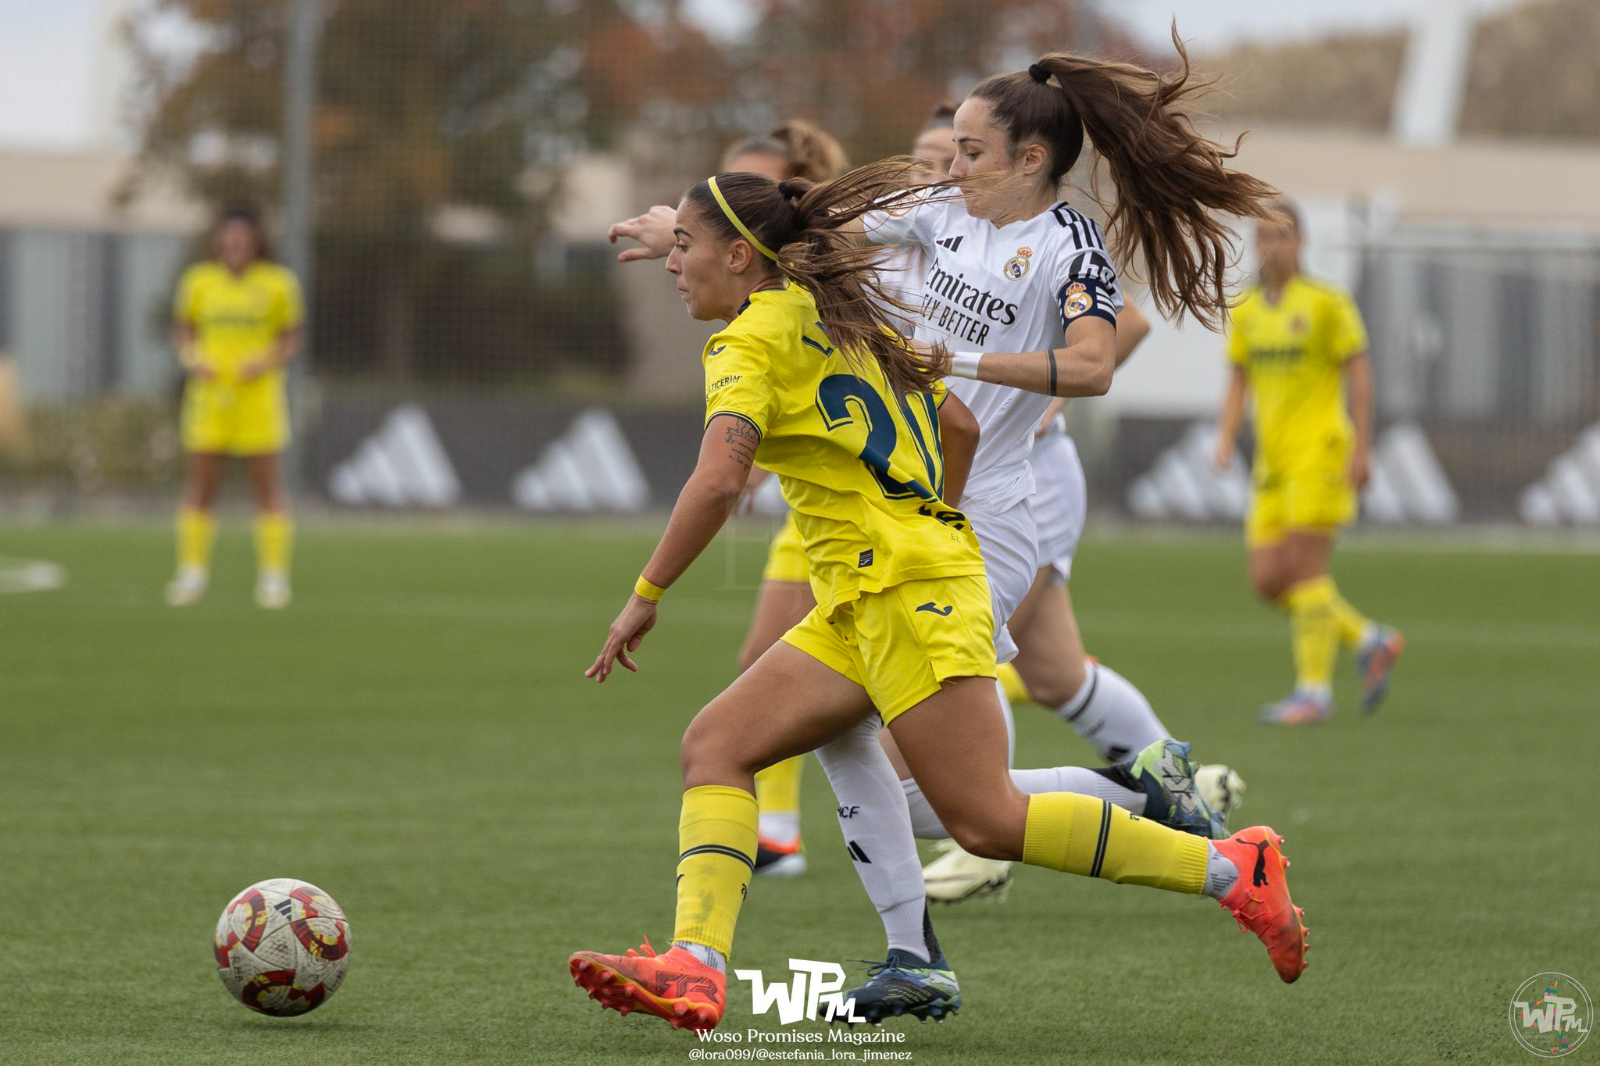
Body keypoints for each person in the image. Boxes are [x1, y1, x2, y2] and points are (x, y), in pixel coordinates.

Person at [602, 40, 1284, 1017]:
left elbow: (1091, 367)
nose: (943, 167)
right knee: (880, 744)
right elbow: (794, 226)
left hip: (997, 501)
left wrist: (956, 356)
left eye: (965, 151)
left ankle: (1154, 814)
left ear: (1029, 162)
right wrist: (690, 229)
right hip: (924, 503)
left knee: (951, 798)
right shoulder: (938, 214)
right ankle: (925, 933)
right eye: (944, 150)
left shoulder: (1067, 249)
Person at [1214, 200, 1404, 725]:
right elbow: (1238, 378)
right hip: (1271, 464)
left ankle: (1314, 693)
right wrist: (1226, 436)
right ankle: (1367, 638)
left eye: (1282, 237)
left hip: (1320, 453)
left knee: (1304, 569)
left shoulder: (1326, 303)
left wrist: (1363, 447)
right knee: (1268, 580)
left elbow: (1360, 376)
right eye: (1265, 238)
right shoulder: (1248, 310)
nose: (1273, 247)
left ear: (1301, 242)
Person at [166, 206, 303, 610]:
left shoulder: (279, 283)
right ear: (218, 241)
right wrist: (193, 359)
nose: (235, 245)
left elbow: (291, 337)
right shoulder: (199, 281)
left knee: (266, 488)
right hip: (209, 400)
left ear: (257, 241)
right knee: (202, 486)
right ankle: (191, 574)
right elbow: (183, 331)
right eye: (229, 237)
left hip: (258, 400)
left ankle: (274, 578)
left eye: (243, 237)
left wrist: (264, 362)